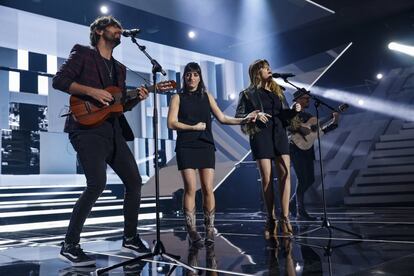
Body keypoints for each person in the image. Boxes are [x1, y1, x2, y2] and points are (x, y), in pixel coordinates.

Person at [52, 16, 150, 267]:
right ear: (98, 30)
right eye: (115, 27)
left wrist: (137, 98)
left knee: (134, 182)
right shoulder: (83, 53)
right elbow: (59, 80)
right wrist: (91, 91)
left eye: (120, 27)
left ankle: (130, 237)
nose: (119, 30)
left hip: (113, 130)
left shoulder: (120, 68)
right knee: (97, 183)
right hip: (86, 129)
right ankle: (70, 244)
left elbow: (117, 106)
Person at [167, 62, 258, 247]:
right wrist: (192, 127)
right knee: (190, 189)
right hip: (186, 145)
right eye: (188, 74)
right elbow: (171, 123)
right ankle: (191, 230)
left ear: (200, 77)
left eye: (195, 74)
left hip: (205, 145)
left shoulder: (207, 96)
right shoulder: (177, 97)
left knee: (208, 188)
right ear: (184, 77)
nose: (191, 78)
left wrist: (245, 119)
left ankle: (209, 229)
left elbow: (223, 118)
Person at [235, 59, 300, 238]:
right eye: (264, 68)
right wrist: (255, 115)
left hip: (279, 134)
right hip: (261, 135)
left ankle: (285, 217)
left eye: (269, 67)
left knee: (285, 174)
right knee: (267, 178)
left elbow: (285, 115)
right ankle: (270, 217)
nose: (269, 69)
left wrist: (294, 111)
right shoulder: (248, 94)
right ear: (257, 72)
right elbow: (240, 116)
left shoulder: (278, 91)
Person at [289, 89, 339, 220]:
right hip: (295, 148)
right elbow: (289, 126)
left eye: (308, 98)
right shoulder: (291, 111)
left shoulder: (309, 116)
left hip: (307, 148)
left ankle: (292, 203)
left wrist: (334, 122)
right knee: (302, 179)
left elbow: (318, 131)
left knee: (310, 179)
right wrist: (300, 128)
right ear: (298, 99)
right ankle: (301, 211)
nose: (308, 100)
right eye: (305, 98)